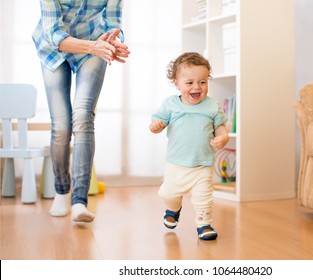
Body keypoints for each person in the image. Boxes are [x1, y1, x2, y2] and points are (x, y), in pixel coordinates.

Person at [32, 0, 130, 223]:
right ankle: (61, 190)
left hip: (94, 43)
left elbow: (113, 22)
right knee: (62, 126)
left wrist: (114, 42)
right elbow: (53, 32)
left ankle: (78, 201)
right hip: (53, 48)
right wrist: (94, 46)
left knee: (84, 116)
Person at [149, 52, 229, 240]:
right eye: (190, 83)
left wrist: (223, 138)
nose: (197, 87)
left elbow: (220, 128)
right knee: (168, 193)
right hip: (176, 163)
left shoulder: (211, 106)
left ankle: (204, 225)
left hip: (203, 163)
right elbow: (157, 123)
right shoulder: (170, 105)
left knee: (203, 198)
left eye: (202, 82)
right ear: (177, 83)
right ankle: (173, 208)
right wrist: (156, 126)